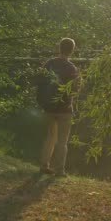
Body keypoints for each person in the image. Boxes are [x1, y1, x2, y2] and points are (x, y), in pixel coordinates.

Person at [38, 38, 80, 177]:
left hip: (49, 108)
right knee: (62, 141)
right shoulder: (71, 68)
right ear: (72, 50)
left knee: (50, 137)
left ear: (59, 48)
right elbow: (74, 90)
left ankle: (44, 165)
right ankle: (60, 170)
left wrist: (42, 102)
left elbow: (40, 82)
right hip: (65, 110)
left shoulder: (49, 63)